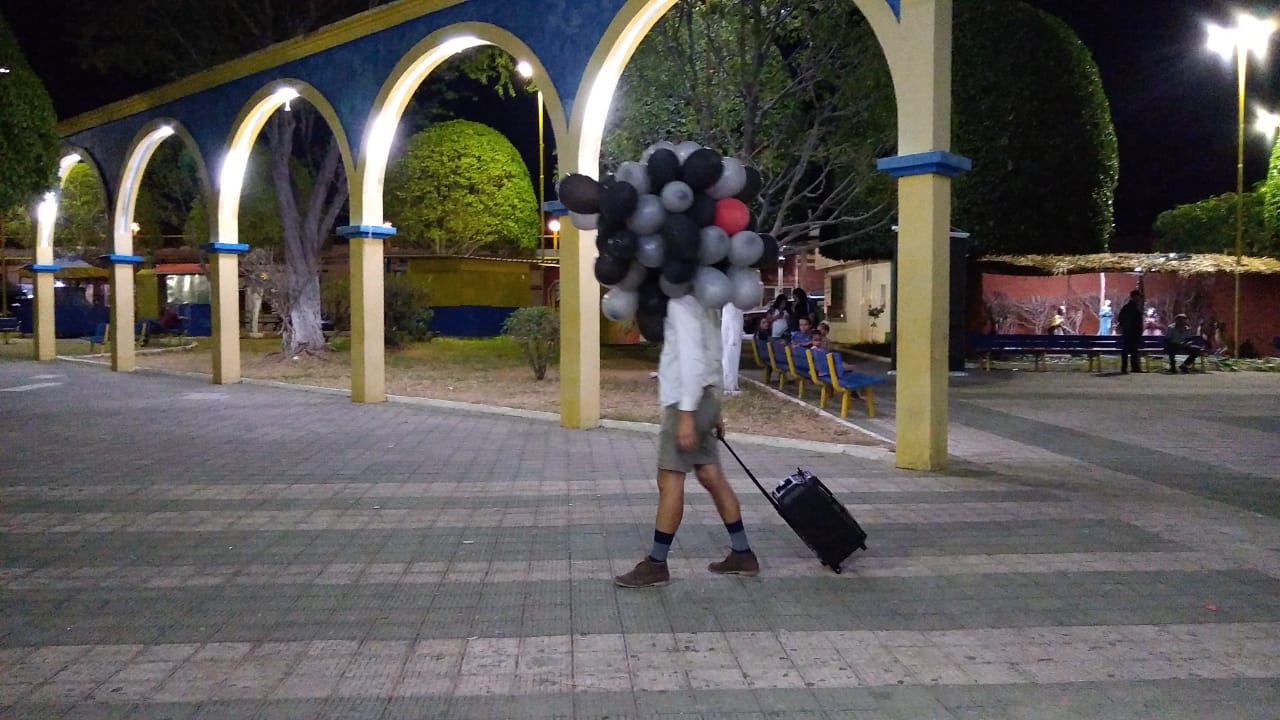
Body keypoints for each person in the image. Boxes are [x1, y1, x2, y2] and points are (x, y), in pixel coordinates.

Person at [614, 295, 760, 588]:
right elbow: (712, 350)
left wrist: (686, 414)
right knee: (711, 476)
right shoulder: (705, 299)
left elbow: (692, 357)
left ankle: (656, 564)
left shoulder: (681, 301)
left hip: (686, 402)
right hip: (704, 398)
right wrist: (713, 408)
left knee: (669, 481)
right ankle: (742, 554)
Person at [1117, 289, 1144, 374]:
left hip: (1130, 332)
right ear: (1134, 297)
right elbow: (1123, 319)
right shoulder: (1131, 307)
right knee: (1129, 350)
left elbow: (1120, 318)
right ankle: (1130, 367)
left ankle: (1130, 367)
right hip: (1130, 332)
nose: (1139, 299)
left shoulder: (1129, 307)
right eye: (1138, 297)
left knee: (1132, 350)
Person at [721, 301, 743, 395]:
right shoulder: (732, 305)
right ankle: (730, 384)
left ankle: (730, 382)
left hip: (731, 333)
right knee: (730, 356)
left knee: (729, 355)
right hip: (732, 336)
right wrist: (733, 338)